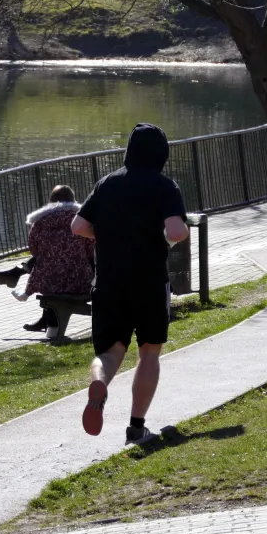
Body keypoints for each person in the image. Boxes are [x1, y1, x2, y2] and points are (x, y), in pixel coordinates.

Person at [72, 123, 189, 445]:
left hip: (109, 281)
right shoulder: (165, 187)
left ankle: (99, 385)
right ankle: (136, 427)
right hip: (149, 280)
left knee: (110, 353)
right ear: (161, 153)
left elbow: (78, 225)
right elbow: (176, 232)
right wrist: (174, 236)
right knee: (149, 353)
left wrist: (110, 235)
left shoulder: (107, 183)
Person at [0, 185, 94, 331]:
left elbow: (33, 248)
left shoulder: (40, 221)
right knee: (60, 263)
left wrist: (50, 255)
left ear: (51, 201)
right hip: (79, 280)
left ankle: (50, 326)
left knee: (49, 265)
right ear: (73, 199)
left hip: (48, 280)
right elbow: (90, 247)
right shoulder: (81, 219)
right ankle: (49, 326)